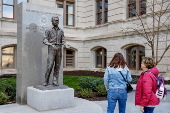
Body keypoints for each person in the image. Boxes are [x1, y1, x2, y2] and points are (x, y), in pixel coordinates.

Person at [43, 16, 65, 86]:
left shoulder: (61, 30)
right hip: (52, 48)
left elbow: (63, 40)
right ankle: (46, 80)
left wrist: (65, 44)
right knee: (50, 65)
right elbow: (44, 40)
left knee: (58, 65)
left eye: (57, 20)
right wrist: (50, 44)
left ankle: (55, 80)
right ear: (52, 21)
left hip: (59, 48)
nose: (56, 22)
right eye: (55, 20)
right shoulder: (48, 30)